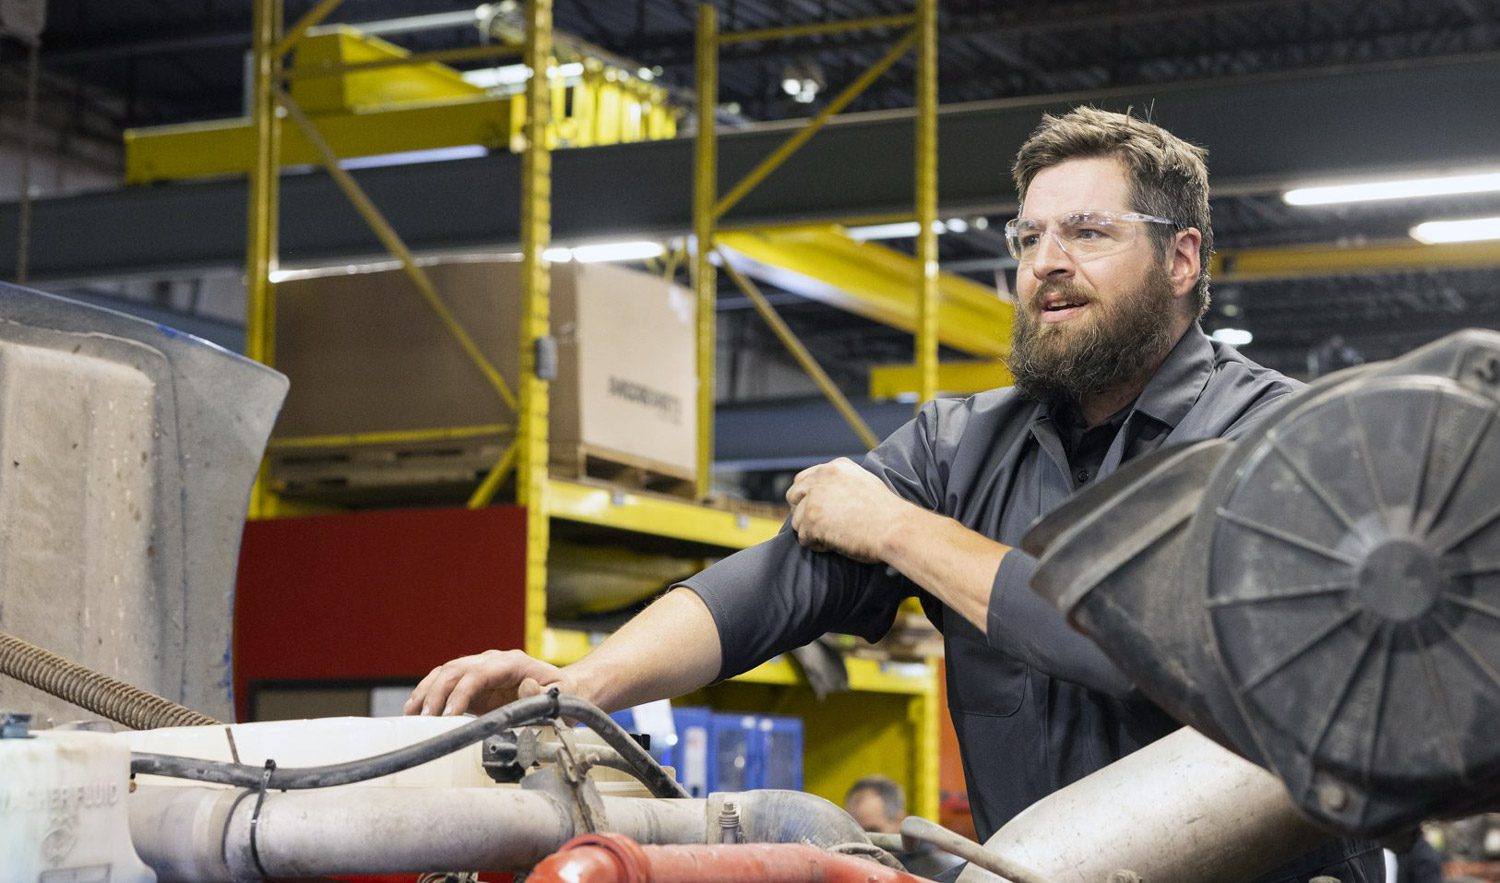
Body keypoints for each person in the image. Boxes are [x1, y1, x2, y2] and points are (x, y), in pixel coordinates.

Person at [407, 107, 1382, 880]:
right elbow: (783, 581)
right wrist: (580, 690)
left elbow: (1131, 638)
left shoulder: (1275, 442)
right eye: (1030, 235)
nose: (1048, 260)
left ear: (1183, 260)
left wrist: (902, 531)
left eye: (1088, 230)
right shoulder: (965, 442)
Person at [845, 775, 962, 879]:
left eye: (873, 831)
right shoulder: (848, 870)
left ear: (899, 822)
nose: (862, 843)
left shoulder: (943, 875)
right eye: (854, 832)